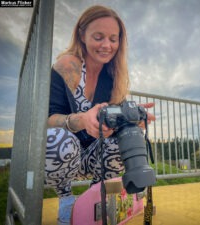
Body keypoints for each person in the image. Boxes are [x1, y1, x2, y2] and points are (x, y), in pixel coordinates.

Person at [45, 5, 155, 225]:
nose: (107, 45)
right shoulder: (69, 65)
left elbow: (113, 125)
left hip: (95, 158)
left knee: (125, 138)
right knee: (58, 139)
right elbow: (46, 121)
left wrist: (130, 120)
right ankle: (66, 200)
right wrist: (81, 120)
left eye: (113, 39)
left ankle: (97, 196)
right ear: (82, 35)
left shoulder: (113, 75)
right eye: (98, 37)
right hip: (65, 155)